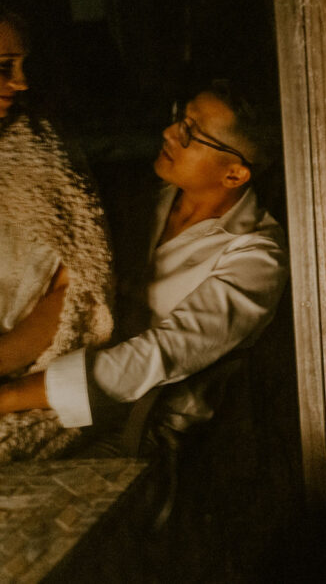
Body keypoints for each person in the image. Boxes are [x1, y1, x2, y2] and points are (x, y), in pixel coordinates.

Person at [0, 80, 289, 442]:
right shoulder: (141, 202)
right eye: (179, 118)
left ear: (234, 173)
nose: (169, 133)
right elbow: (74, 292)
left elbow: (160, 355)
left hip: (135, 427)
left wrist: (8, 397)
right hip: (39, 384)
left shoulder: (257, 257)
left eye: (190, 133)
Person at [0, 8, 114, 461]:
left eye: (24, 65)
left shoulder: (41, 152)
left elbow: (79, 291)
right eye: (4, 68)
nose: (22, 82)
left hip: (20, 383)